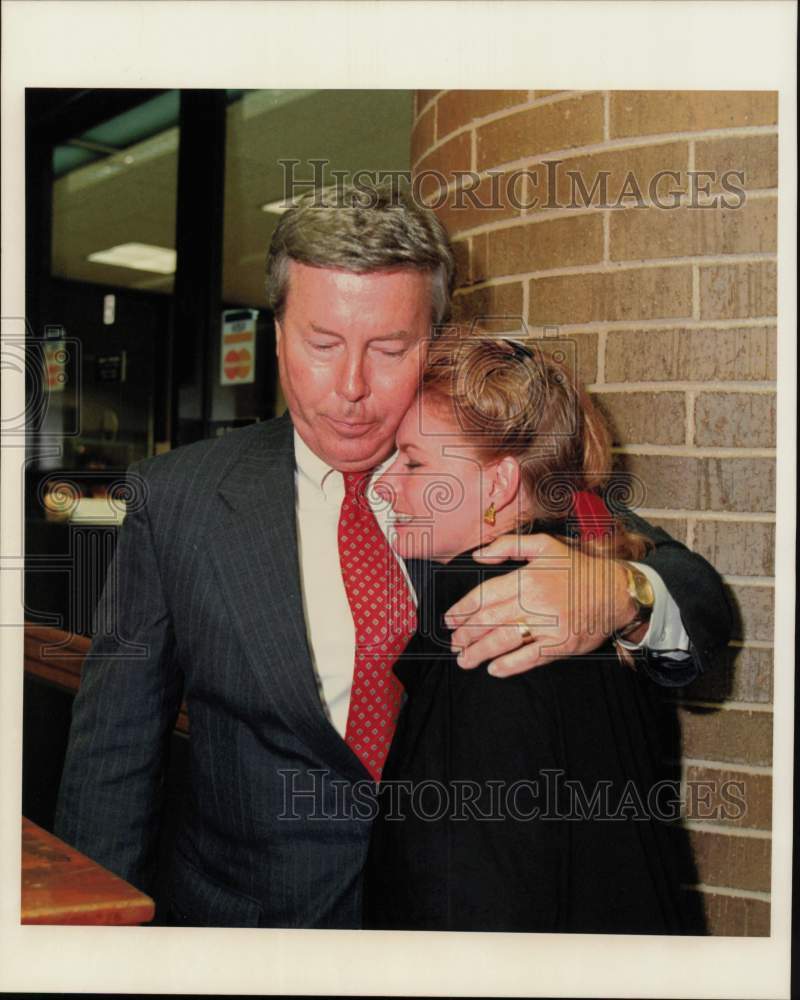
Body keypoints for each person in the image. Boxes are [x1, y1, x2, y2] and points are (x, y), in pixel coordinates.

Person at [54, 181, 731, 928]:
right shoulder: (175, 500)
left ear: (435, 341)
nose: (351, 388)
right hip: (252, 939)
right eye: (321, 344)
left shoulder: (479, 470)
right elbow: (113, 757)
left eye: (388, 348)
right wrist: (92, 942)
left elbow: (689, 590)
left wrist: (625, 595)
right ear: (277, 333)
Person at [364, 336, 702, 933]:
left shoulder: (491, 636)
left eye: (414, 462)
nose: (385, 486)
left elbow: (476, 902)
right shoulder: (582, 589)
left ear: (497, 486)